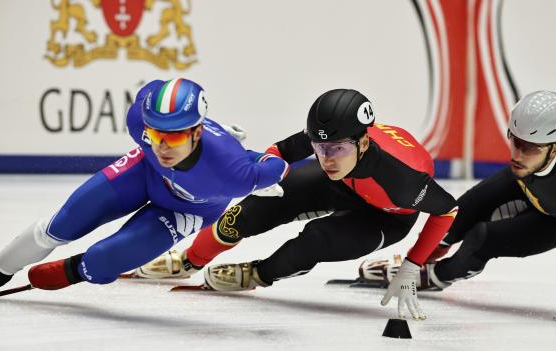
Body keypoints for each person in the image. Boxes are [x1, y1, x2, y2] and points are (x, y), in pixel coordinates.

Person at [136, 89, 459, 320]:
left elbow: (448, 209)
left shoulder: (401, 179)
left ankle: (259, 274)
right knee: (247, 212)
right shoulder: (331, 137)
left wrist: (413, 264)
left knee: (316, 239)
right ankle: (190, 260)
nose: (326, 157)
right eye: (319, 147)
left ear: (363, 142)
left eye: (336, 149)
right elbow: (278, 151)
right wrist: (259, 174)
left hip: (386, 216)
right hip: (345, 184)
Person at [0, 78, 289, 292]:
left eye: (173, 138)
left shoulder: (232, 173)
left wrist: (257, 164)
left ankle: (76, 269)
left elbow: (277, 166)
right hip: (144, 174)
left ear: (197, 133)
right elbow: (154, 89)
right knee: (60, 226)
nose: (162, 147)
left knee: (102, 261)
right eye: (155, 134)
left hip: (187, 210)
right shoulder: (139, 122)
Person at [382, 90, 556, 326]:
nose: (518, 154)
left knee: (482, 238)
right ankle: (416, 264)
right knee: (456, 215)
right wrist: (413, 263)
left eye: (530, 148)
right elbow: (526, 155)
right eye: (515, 141)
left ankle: (435, 277)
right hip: (530, 182)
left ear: (555, 149)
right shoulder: (530, 157)